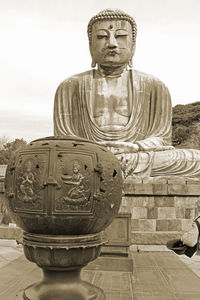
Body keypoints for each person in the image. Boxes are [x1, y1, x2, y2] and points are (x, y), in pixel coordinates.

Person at [54, 8, 200, 179]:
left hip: (136, 156)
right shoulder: (70, 86)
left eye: (121, 36)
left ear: (134, 44)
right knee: (56, 160)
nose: (111, 43)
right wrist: (97, 150)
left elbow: (161, 139)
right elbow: (64, 140)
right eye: (101, 37)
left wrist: (135, 147)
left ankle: (110, 168)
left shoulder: (154, 86)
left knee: (194, 160)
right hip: (87, 158)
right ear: (90, 45)